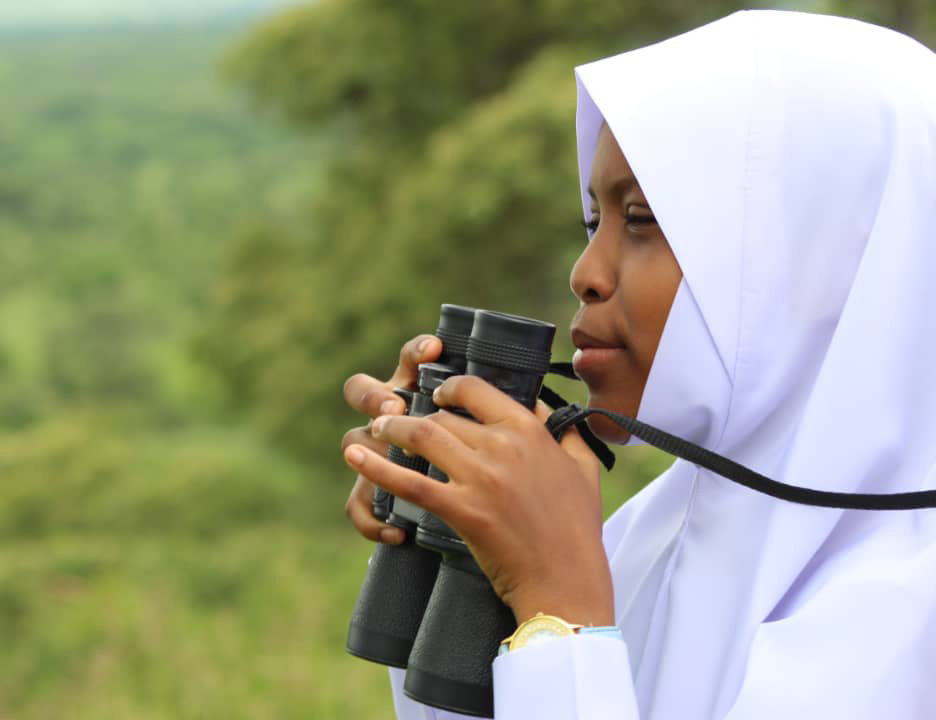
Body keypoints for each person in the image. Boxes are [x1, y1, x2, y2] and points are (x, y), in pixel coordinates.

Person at [341, 10, 936, 719]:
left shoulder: (909, 615)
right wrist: (461, 547)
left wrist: (558, 605)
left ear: (823, 262)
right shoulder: (651, 535)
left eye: (645, 220)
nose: (585, 273)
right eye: (594, 221)